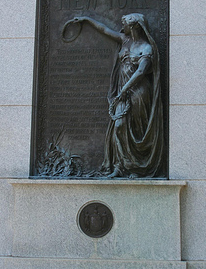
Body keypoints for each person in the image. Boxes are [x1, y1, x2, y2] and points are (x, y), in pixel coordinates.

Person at [70, 13, 164, 177]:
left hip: (139, 93)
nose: (122, 26)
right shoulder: (125, 40)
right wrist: (87, 20)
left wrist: (124, 90)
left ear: (134, 26)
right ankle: (118, 166)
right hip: (123, 91)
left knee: (137, 129)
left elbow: (141, 72)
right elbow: (104, 30)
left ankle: (136, 168)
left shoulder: (146, 48)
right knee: (119, 126)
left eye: (125, 23)